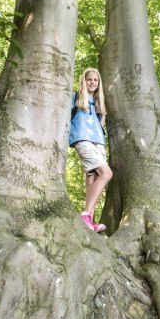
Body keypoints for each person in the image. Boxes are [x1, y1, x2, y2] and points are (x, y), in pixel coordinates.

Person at [69, 68, 112, 233]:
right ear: (84, 81)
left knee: (92, 181)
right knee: (106, 174)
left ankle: (90, 223)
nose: (92, 82)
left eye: (95, 80)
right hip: (82, 140)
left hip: (98, 143)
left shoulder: (99, 102)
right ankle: (85, 215)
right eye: (89, 79)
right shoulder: (76, 98)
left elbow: (100, 124)